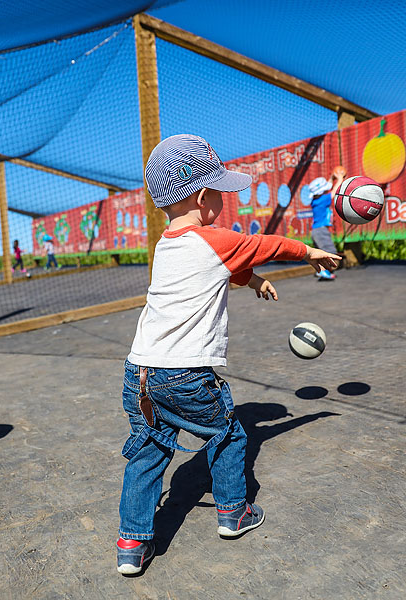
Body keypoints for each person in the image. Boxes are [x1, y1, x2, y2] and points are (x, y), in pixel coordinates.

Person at [116, 135, 341, 575]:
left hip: (138, 373)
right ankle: (233, 513)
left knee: (148, 451)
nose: (225, 198)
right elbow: (267, 245)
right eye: (221, 190)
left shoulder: (167, 244)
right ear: (203, 197)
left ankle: (131, 542)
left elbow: (224, 267)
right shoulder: (215, 237)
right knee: (230, 435)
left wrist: (252, 281)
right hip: (185, 375)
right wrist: (311, 250)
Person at [308, 175, 340, 280]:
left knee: (322, 253)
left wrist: (331, 177)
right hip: (321, 231)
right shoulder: (324, 199)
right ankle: (323, 271)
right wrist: (339, 179)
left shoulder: (315, 201)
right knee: (330, 253)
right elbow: (334, 191)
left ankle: (321, 271)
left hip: (316, 231)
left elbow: (327, 188)